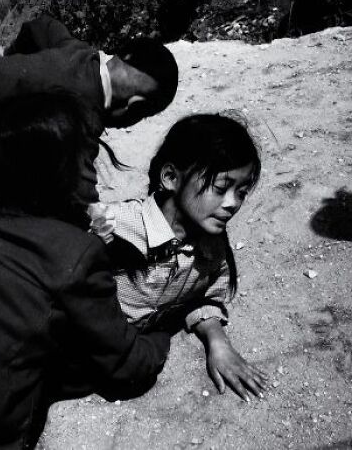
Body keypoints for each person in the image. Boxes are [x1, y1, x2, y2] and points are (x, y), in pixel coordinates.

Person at [0, 92, 172, 449]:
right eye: (85, 159)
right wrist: (161, 339)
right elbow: (125, 365)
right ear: (50, 173)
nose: (93, 171)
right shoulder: (73, 255)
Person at [96, 114, 269, 402]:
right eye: (220, 188)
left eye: (241, 192)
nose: (232, 204)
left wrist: (218, 342)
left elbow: (204, 298)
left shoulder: (211, 249)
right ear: (171, 178)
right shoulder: (115, 225)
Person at [0, 14, 180, 209]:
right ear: (135, 105)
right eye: (144, 115)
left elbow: (41, 24)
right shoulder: (82, 118)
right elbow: (84, 199)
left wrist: (11, 56)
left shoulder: (76, 50)